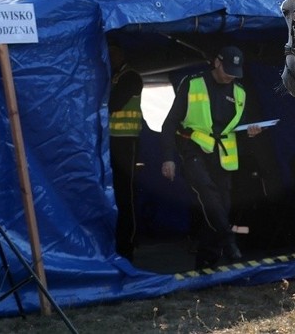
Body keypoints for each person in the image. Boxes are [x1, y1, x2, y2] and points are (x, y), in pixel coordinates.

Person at [160, 46, 262, 268]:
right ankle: (229, 239)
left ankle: (207, 261)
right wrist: (168, 157)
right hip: (193, 148)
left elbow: (238, 129)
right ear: (217, 62)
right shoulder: (193, 83)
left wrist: (251, 133)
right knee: (207, 193)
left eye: (235, 72)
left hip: (223, 156)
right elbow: (169, 124)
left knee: (220, 207)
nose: (231, 76)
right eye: (228, 70)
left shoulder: (240, 92)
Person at [108, 41, 144, 262]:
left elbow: (114, 104)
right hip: (114, 141)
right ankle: (120, 240)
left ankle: (128, 244)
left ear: (121, 53)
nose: (109, 59)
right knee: (117, 193)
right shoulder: (117, 76)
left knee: (126, 195)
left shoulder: (130, 77)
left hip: (127, 142)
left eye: (112, 54)